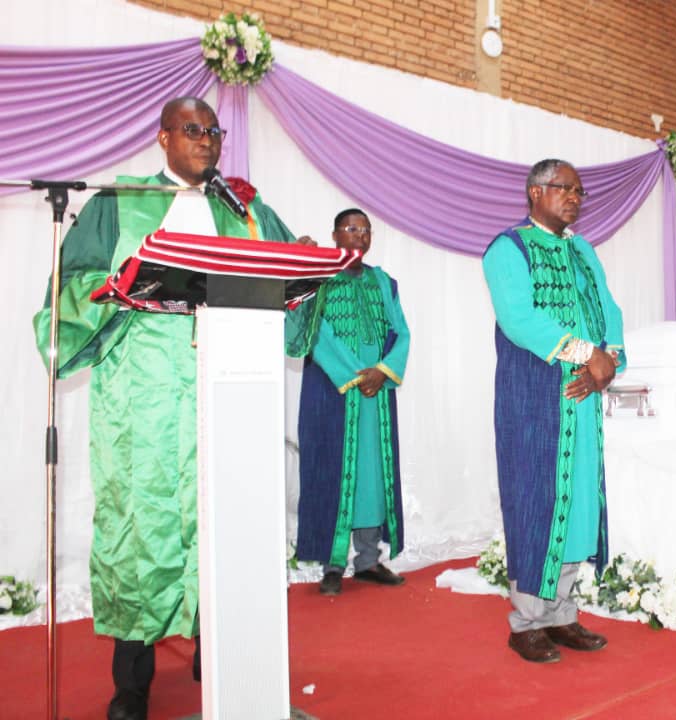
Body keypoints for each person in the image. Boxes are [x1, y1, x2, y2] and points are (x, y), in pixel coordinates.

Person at [32, 97, 310, 720]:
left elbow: (290, 276)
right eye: (192, 129)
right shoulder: (119, 202)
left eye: (213, 130)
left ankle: (227, 653)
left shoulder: (246, 208)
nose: (206, 139)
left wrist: (302, 268)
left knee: (227, 521)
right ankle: (132, 684)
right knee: (141, 531)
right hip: (146, 404)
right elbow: (68, 289)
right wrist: (114, 289)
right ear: (163, 138)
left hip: (231, 392)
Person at [482, 159, 626, 664]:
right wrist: (590, 354)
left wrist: (610, 362)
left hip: (582, 401)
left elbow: (609, 311)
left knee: (579, 505)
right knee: (537, 503)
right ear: (534, 192)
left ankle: (562, 614)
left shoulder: (584, 251)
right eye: (565, 188)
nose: (575, 198)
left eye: (579, 192)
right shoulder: (508, 249)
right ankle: (526, 622)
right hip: (534, 399)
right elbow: (519, 319)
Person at [294, 208, 410, 595]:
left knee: (372, 477)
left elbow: (401, 332)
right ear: (335, 235)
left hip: (375, 394)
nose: (359, 236)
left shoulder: (383, 282)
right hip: (332, 391)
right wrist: (351, 375)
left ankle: (367, 560)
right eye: (351, 228)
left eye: (365, 230)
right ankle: (332, 564)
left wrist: (382, 370)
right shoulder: (318, 280)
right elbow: (312, 331)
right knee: (332, 470)